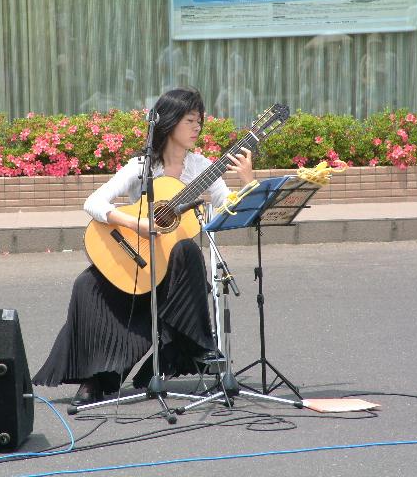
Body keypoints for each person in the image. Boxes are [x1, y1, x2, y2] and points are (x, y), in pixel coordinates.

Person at [32, 87, 255, 406]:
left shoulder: (201, 167)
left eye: (199, 121)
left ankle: (199, 347)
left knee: (187, 249)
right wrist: (136, 224)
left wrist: (247, 182)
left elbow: (226, 212)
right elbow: (93, 202)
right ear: (170, 122)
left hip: (172, 274)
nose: (197, 127)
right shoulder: (142, 165)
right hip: (136, 260)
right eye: (190, 120)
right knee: (86, 284)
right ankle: (95, 378)